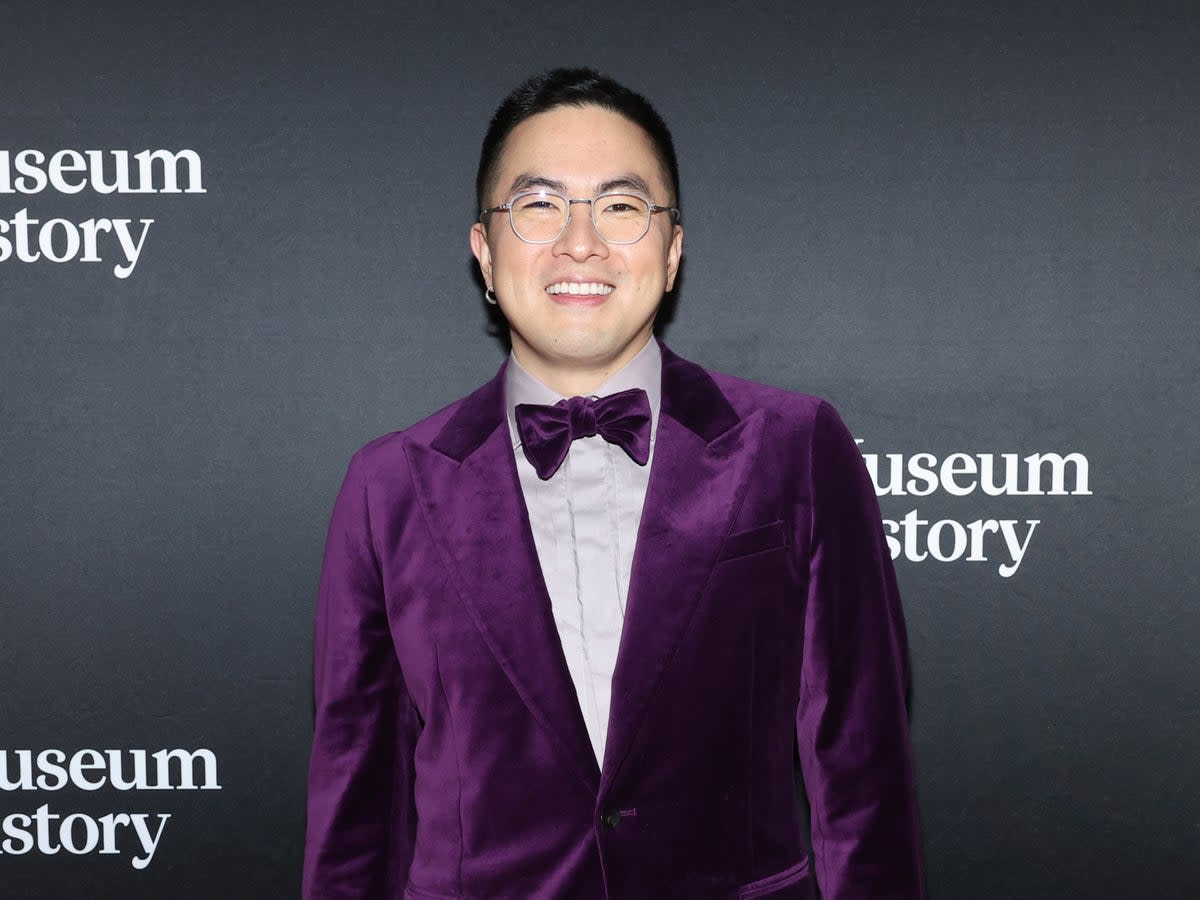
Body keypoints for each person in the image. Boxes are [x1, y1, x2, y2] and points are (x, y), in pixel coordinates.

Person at [303, 67, 925, 900]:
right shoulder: (389, 488)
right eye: (539, 205)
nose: (580, 242)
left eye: (621, 207)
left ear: (672, 251)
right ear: (485, 252)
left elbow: (863, 772)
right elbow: (358, 811)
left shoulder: (798, 446)